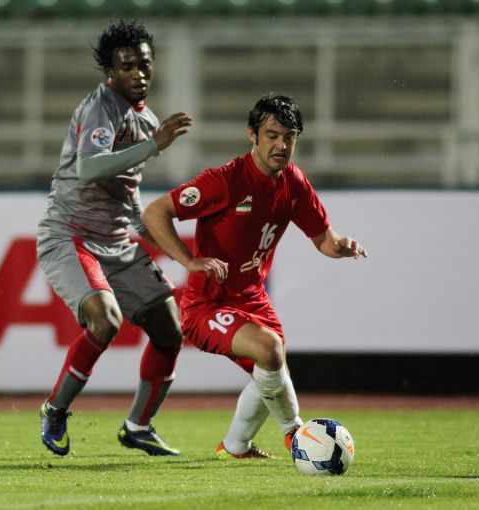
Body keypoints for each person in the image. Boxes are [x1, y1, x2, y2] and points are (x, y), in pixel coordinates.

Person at [142, 94, 367, 459]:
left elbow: (324, 239)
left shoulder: (293, 182)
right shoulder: (225, 181)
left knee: (272, 371)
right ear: (252, 135)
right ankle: (296, 434)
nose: (281, 145)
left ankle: (235, 447)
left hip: (253, 298)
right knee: (269, 350)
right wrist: (189, 260)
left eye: (289, 137)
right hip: (207, 304)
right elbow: (154, 212)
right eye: (272, 135)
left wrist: (341, 245)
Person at [36, 19, 193, 457]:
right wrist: (154, 146)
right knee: (105, 320)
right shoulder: (102, 106)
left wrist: (152, 233)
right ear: (110, 71)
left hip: (116, 241)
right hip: (71, 235)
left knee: (169, 330)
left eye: (144, 64)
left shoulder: (147, 121)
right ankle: (55, 408)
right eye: (127, 66)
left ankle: (138, 426)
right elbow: (89, 168)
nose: (138, 73)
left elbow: (127, 188)